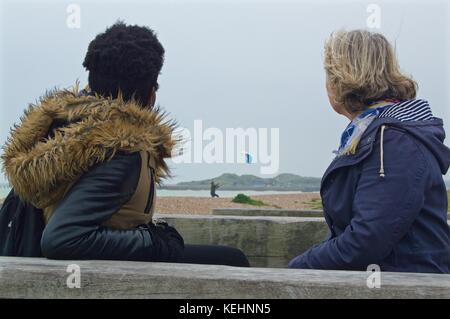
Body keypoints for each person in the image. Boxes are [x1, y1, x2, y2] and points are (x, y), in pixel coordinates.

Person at [1, 22, 249, 267]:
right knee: (233, 261)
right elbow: (62, 238)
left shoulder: (59, 131)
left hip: (41, 264)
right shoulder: (122, 149)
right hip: (84, 282)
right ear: (151, 95)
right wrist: (153, 241)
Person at [288, 30, 450, 273]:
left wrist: (296, 269)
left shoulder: (394, 142)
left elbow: (366, 241)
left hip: (404, 285)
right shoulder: (378, 132)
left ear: (338, 81)